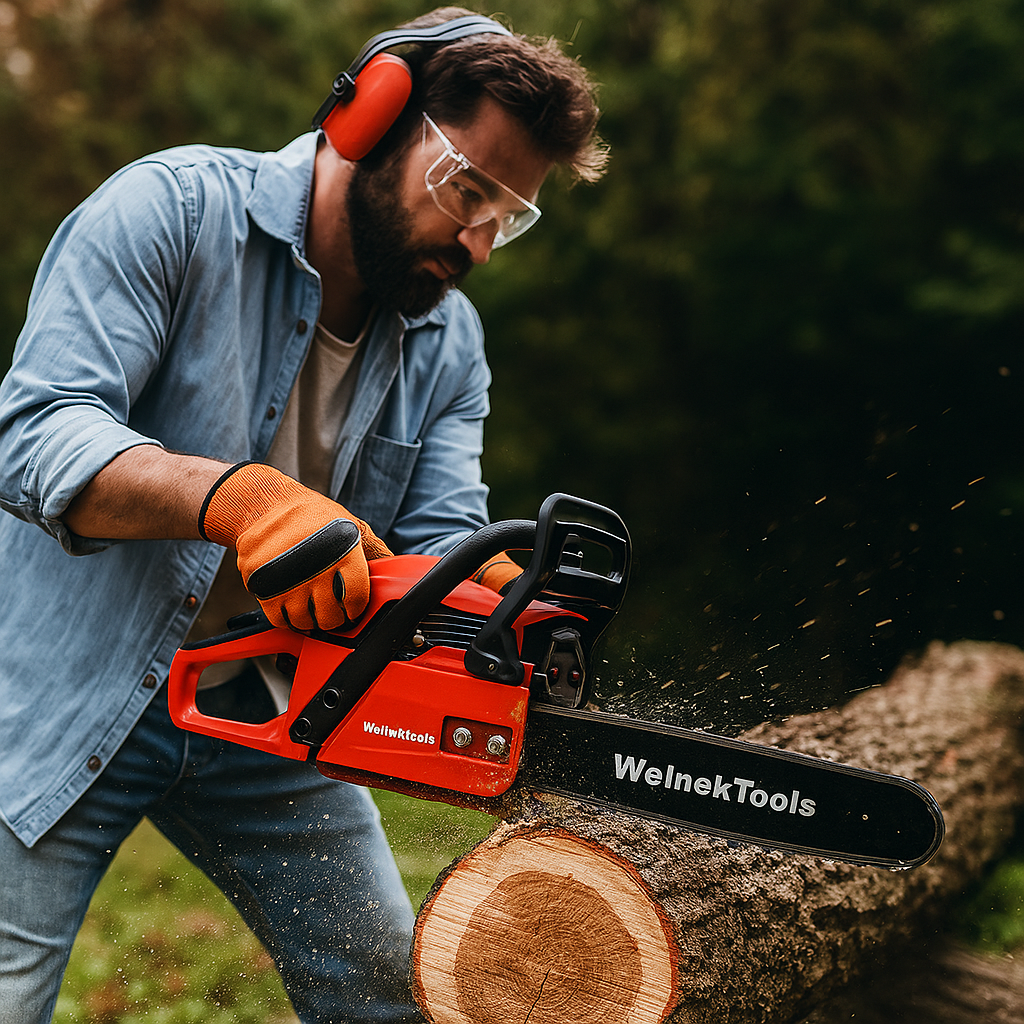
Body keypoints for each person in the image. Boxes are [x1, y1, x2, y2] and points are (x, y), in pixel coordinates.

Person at [0, 7, 607, 1022]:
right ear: (371, 118)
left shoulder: (445, 341)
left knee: (387, 994)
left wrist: (503, 597)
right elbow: (35, 432)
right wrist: (235, 497)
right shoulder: (170, 210)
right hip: (61, 691)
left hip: (274, 701)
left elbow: (440, 531)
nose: (479, 245)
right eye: (468, 191)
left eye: (507, 217)